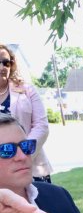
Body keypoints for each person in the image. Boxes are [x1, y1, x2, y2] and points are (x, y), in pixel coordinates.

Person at [0, 44, 53, 183]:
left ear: (11, 65)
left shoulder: (27, 90)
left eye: (6, 63)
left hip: (32, 166)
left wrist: (23, 152)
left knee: (39, 203)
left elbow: (41, 126)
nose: (2, 67)